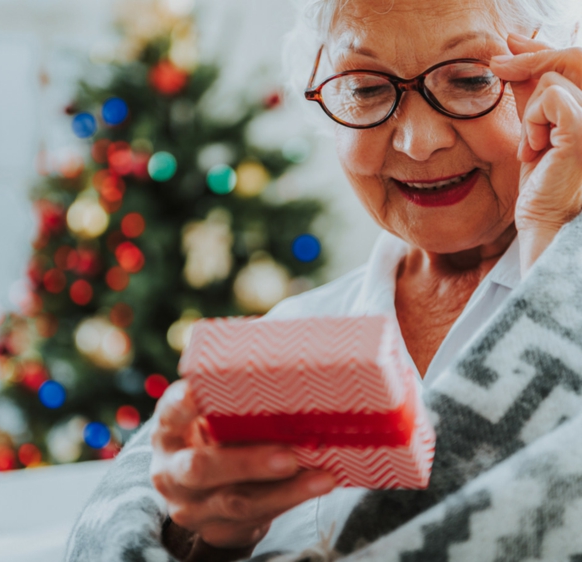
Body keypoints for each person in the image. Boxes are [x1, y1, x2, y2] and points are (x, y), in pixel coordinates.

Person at [144, 0, 582, 560]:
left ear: (558, 74)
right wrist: (216, 535)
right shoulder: (291, 340)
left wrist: (549, 231)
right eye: (367, 89)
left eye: (471, 79)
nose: (418, 142)